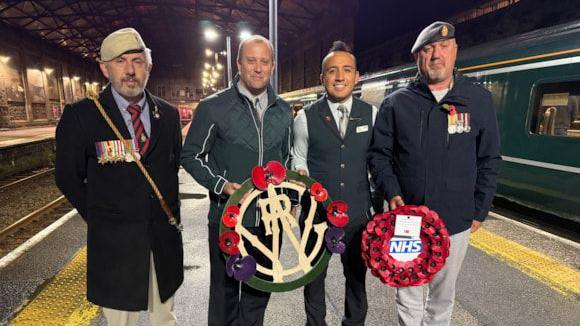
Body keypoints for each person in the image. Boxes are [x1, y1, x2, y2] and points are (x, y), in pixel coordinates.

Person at [368, 21, 501, 326]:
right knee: (408, 294)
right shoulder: (396, 104)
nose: (436, 55)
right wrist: (392, 192)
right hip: (407, 220)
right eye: (428, 49)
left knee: (443, 296)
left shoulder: (477, 101)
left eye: (443, 47)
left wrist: (479, 211)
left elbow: (489, 158)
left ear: (455, 51)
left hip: (456, 220)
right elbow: (379, 155)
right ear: (418, 58)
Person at [55, 28, 183, 326]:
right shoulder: (82, 116)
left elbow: (170, 166)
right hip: (115, 247)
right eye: (120, 61)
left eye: (137, 61)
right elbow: (67, 177)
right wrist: (102, 218)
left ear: (148, 66)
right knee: (120, 323)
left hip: (162, 241)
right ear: (104, 67)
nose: (129, 70)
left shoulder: (169, 114)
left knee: (164, 319)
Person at [181, 35, 292, 326]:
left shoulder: (283, 110)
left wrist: (291, 200)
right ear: (239, 64)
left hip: (270, 220)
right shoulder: (213, 107)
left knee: (259, 292)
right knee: (225, 292)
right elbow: (191, 155)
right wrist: (221, 185)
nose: (258, 68)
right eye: (251, 60)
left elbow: (288, 160)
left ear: (273, 66)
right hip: (227, 218)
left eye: (264, 61)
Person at [292, 40, 377, 326]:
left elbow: (377, 163)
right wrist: (300, 174)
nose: (339, 77)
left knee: (356, 278)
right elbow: (298, 159)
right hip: (316, 217)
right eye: (332, 71)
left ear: (357, 76)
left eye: (347, 70)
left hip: (357, 216)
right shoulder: (305, 117)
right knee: (313, 280)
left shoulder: (371, 114)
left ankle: (354, 323)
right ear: (322, 78)